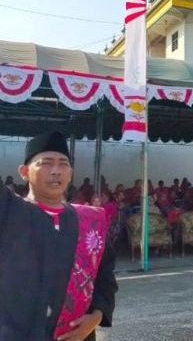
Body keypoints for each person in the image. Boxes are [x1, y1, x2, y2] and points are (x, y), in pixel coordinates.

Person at [0, 131, 117, 341]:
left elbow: (105, 279)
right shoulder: (9, 212)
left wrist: (96, 317)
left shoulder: (90, 220)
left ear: (71, 172)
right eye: (46, 163)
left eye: (63, 164)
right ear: (24, 172)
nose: (56, 171)